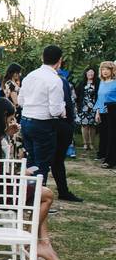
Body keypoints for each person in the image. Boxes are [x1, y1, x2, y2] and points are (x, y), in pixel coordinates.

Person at [0, 97, 70, 260]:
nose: (10, 121)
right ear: (3, 116)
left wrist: (8, 136)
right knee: (47, 195)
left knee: (40, 195)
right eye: (10, 118)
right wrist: (20, 174)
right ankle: (30, 242)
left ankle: (44, 245)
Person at [18, 45, 66, 181]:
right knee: (42, 163)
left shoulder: (29, 76)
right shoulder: (55, 80)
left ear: (42, 58)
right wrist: (63, 107)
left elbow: (21, 101)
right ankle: (37, 195)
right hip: (42, 124)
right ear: (59, 60)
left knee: (31, 160)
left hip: (26, 120)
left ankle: (27, 193)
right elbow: (55, 111)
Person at [50, 67, 81, 202]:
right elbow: (67, 105)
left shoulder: (33, 78)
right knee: (56, 160)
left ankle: (62, 190)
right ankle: (61, 191)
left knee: (53, 160)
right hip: (59, 123)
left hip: (46, 123)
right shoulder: (60, 81)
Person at [95, 61, 116, 166]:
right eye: (103, 69)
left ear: (112, 71)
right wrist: (97, 112)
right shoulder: (102, 83)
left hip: (112, 112)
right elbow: (100, 98)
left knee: (112, 136)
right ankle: (103, 154)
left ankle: (110, 160)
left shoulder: (115, 83)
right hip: (102, 112)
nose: (105, 71)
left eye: (107, 69)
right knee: (104, 135)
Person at [75, 67, 99, 151]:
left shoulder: (97, 83)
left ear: (94, 74)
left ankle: (91, 143)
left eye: (92, 73)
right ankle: (85, 143)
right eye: (89, 73)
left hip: (94, 107)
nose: (90, 74)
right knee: (84, 126)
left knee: (92, 126)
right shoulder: (82, 83)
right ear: (86, 74)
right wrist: (77, 106)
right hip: (83, 107)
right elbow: (77, 96)